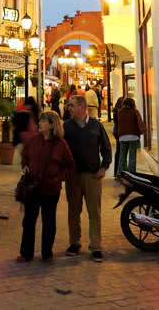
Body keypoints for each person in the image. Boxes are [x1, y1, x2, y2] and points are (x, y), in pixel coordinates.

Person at [17, 111, 75, 264]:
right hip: (33, 188)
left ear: (51, 125)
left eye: (43, 121)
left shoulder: (60, 144)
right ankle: (26, 252)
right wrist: (25, 166)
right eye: (40, 121)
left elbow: (69, 165)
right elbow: (25, 157)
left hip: (51, 189)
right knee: (29, 220)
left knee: (49, 221)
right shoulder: (33, 141)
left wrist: (58, 178)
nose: (39, 124)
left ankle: (47, 253)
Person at [62, 95, 112, 263]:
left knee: (94, 212)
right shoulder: (66, 127)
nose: (69, 108)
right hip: (73, 176)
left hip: (92, 176)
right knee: (73, 211)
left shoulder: (96, 126)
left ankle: (96, 247)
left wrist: (103, 168)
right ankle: (74, 243)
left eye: (72, 106)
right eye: (69, 106)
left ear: (82, 107)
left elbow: (106, 148)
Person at [116, 97, 144, 175]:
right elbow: (139, 122)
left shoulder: (120, 112)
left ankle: (121, 174)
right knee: (132, 157)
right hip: (133, 136)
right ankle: (131, 175)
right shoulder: (135, 112)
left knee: (122, 156)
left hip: (122, 136)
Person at [11, 96, 40, 168]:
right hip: (31, 139)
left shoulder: (19, 111)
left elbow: (13, 122)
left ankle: (25, 169)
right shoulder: (34, 113)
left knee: (23, 156)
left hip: (21, 139)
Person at [111, 96, 125, 180]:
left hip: (116, 131)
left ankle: (116, 171)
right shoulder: (120, 112)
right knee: (121, 152)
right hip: (120, 132)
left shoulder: (115, 110)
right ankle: (119, 172)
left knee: (118, 152)